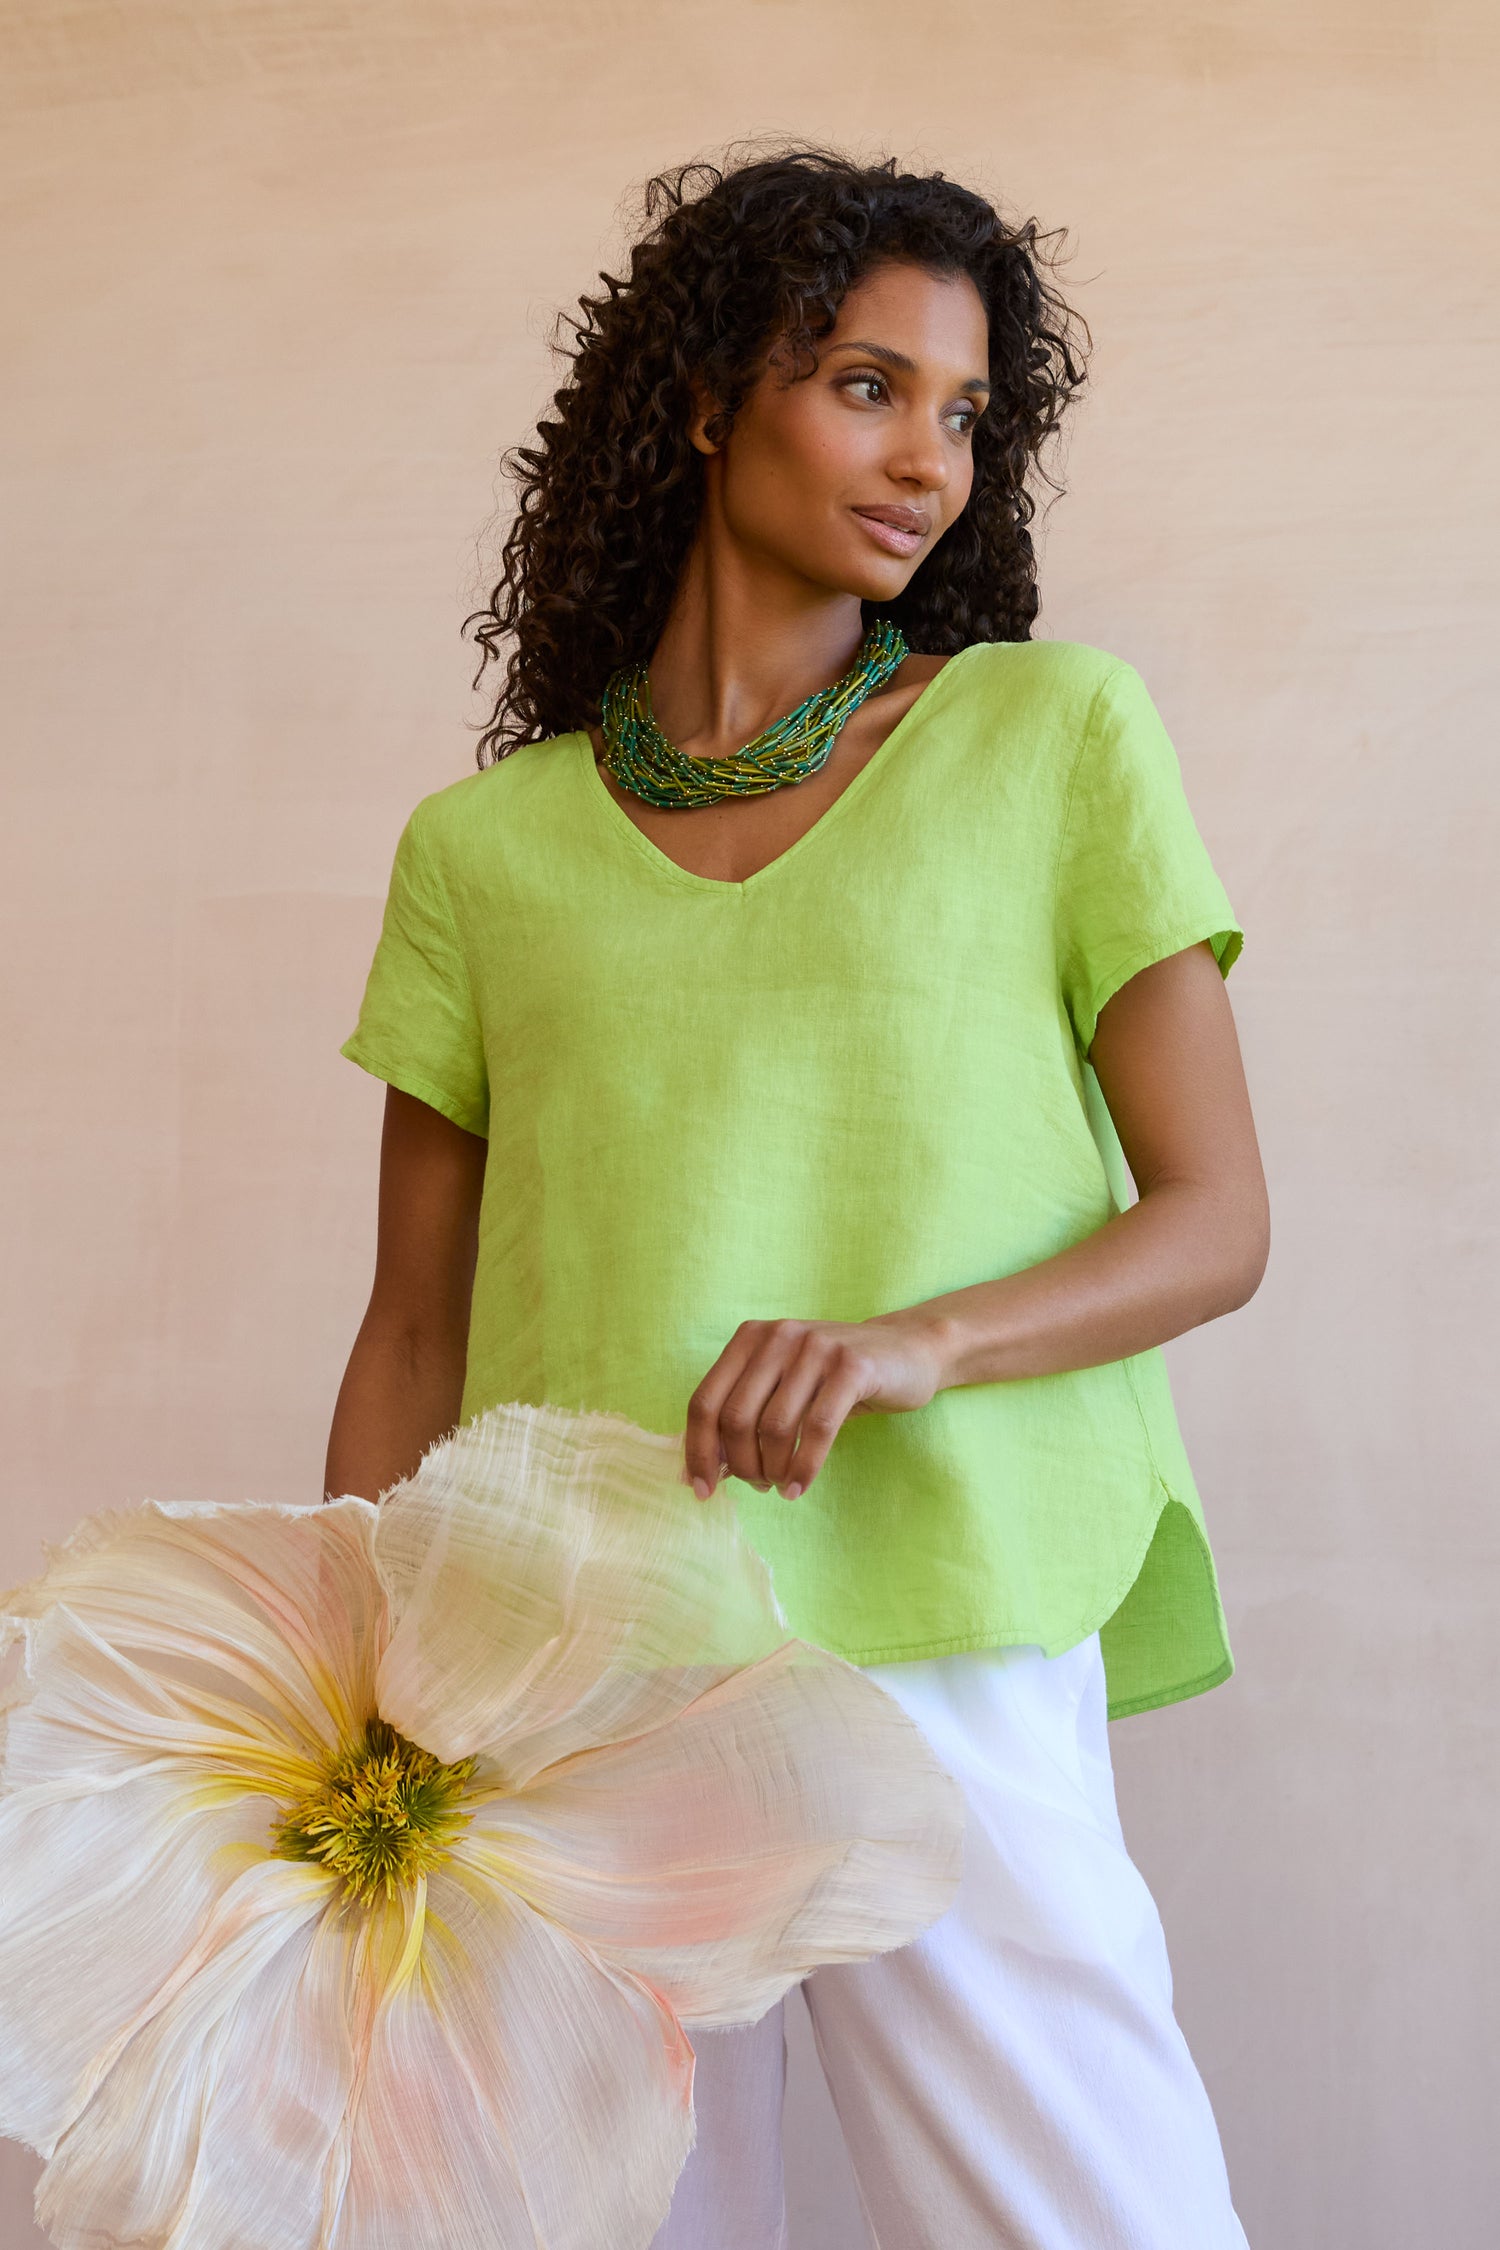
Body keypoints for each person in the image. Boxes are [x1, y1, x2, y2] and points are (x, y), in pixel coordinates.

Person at [327, 144, 1267, 2250]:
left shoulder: (1052, 737)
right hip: (572, 1660)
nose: (926, 455)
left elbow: (1216, 1215)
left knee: (1088, 2216)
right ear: (698, 396)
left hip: (944, 1599)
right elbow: (411, 1327)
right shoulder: (484, 853)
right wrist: (367, 1712)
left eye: (963, 412)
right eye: (865, 383)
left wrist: (911, 1340)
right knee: (597, 2226)